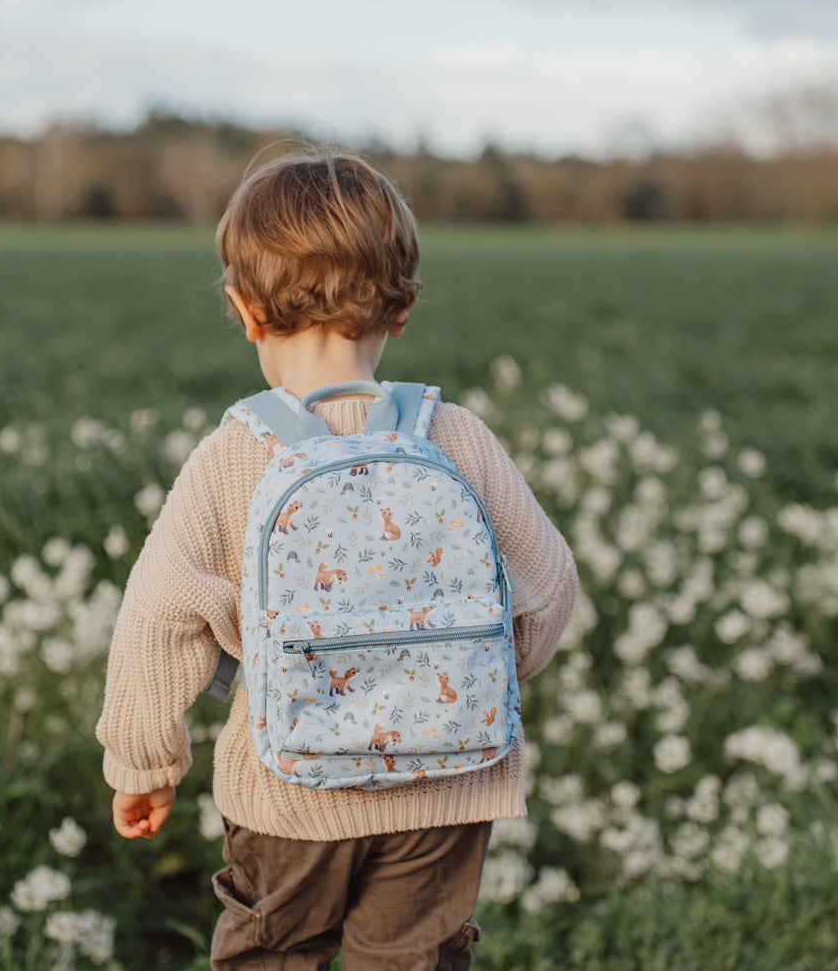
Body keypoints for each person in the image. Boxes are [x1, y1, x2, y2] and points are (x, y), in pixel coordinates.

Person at [96, 147, 578, 970]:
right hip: (447, 781)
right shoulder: (454, 436)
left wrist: (143, 760)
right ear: (402, 309)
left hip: (289, 792)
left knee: (273, 956)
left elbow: (160, 614)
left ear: (245, 311)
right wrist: (471, 674)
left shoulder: (236, 455)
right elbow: (548, 589)